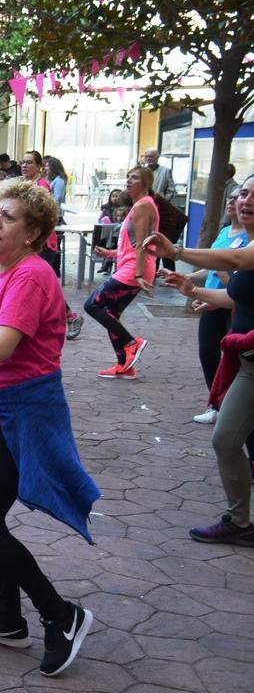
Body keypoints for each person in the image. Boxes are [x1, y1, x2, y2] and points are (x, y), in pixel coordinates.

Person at [0, 178, 100, 677]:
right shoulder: (8, 272)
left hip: (24, 414)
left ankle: (61, 614)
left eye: (8, 217)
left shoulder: (30, 276)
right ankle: (8, 619)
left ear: (33, 233)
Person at [146, 178, 254, 545]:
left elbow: (235, 260)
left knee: (230, 436)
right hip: (248, 360)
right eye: (243, 193)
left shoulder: (246, 250)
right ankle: (240, 522)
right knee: (226, 438)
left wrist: (177, 250)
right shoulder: (239, 238)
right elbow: (232, 297)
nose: (246, 201)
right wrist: (192, 289)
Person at [164, 191, 248, 424]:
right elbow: (211, 269)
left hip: (231, 310)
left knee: (231, 360)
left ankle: (227, 407)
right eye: (236, 196)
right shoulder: (223, 233)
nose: (235, 201)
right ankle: (216, 405)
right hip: (213, 301)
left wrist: (176, 252)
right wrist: (189, 282)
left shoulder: (247, 244)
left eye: (242, 196)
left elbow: (232, 271)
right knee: (208, 352)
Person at [85, 166, 156, 378]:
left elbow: (143, 244)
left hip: (133, 270)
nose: (128, 181)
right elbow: (132, 245)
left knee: (92, 305)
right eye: (128, 177)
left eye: (134, 178)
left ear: (145, 183)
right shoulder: (139, 206)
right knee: (111, 314)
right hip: (132, 266)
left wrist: (138, 274)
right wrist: (110, 254)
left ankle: (131, 343)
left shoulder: (143, 205)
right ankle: (125, 365)